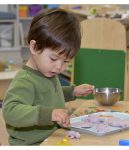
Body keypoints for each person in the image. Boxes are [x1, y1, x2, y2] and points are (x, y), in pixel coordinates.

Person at [2, 8, 94, 145]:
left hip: (51, 137)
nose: (59, 67)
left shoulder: (47, 71)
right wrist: (50, 114)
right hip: (30, 144)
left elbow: (47, 95)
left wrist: (73, 91)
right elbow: (11, 111)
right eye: (53, 58)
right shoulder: (25, 80)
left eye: (66, 61)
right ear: (34, 47)